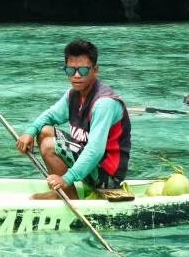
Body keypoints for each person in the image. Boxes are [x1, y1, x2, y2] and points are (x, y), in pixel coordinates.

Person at [16, 39, 131, 199]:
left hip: (107, 175)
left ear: (95, 70)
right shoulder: (73, 95)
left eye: (83, 70)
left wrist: (66, 179)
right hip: (89, 166)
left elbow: (95, 151)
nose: (76, 76)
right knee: (44, 131)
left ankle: (68, 195)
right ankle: (63, 192)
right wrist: (29, 132)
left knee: (49, 145)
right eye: (71, 70)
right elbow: (49, 116)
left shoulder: (104, 103)